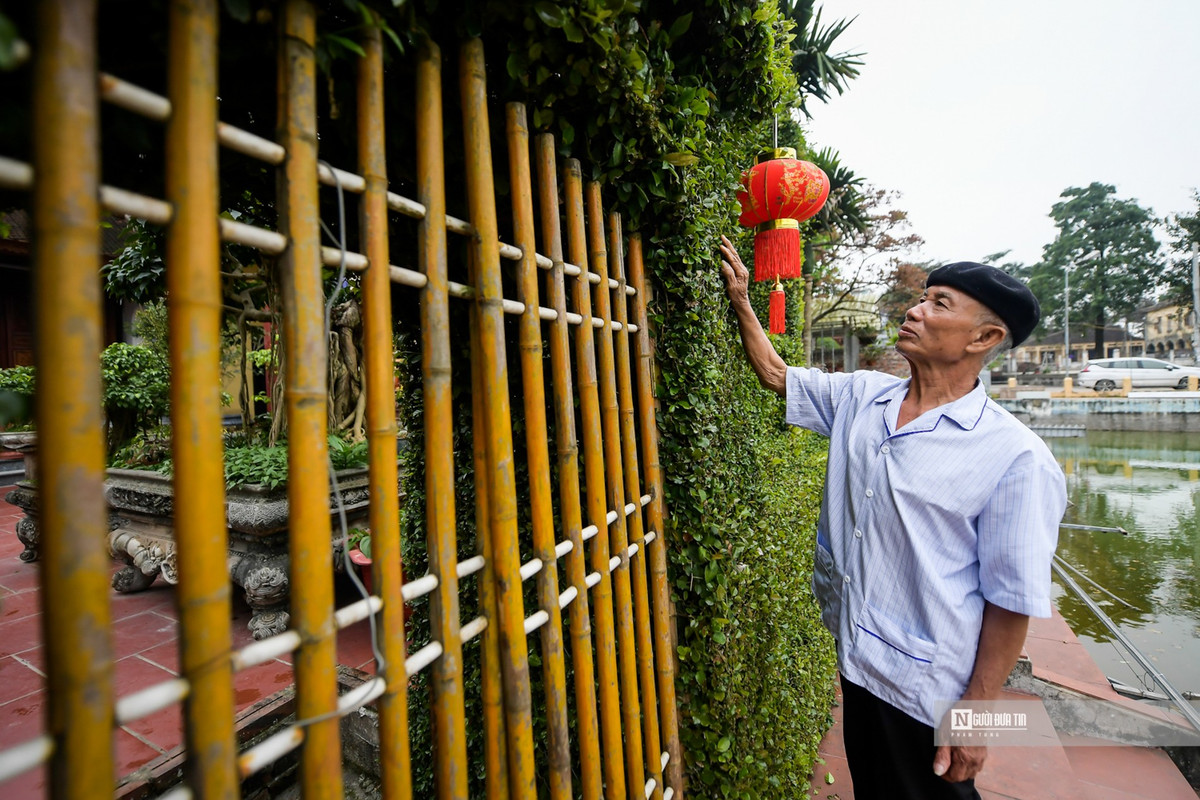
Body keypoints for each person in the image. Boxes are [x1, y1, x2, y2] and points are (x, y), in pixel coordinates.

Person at [718, 235, 1066, 800]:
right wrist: (740, 300)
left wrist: (976, 723)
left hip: (927, 691)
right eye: (922, 297)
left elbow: (1011, 601)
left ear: (984, 338)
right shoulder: (865, 396)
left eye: (939, 304)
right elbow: (779, 376)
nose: (915, 310)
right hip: (858, 660)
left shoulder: (1017, 457)